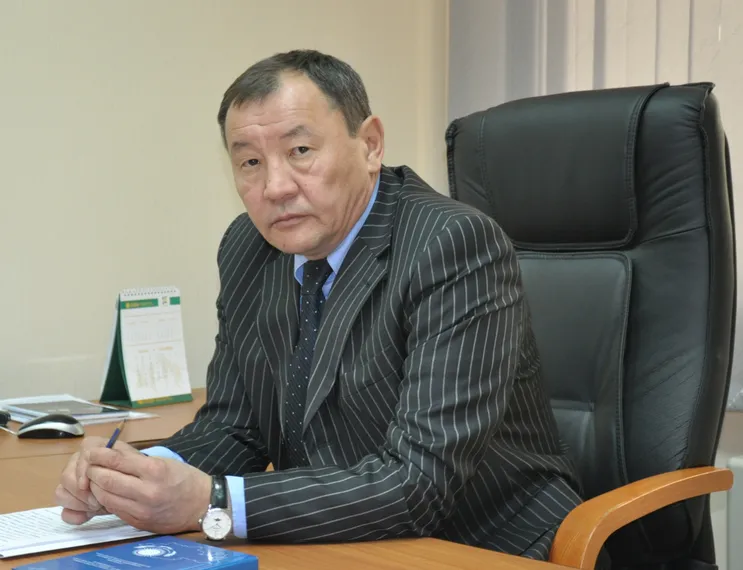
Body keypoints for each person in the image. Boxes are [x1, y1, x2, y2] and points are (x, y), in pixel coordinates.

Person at [55, 49, 582, 560]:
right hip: (336, 542)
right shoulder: (248, 247)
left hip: (481, 545)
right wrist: (134, 474)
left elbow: (419, 481)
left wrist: (211, 501)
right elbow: (235, 426)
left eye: (300, 151)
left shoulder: (451, 245)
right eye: (250, 162)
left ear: (370, 144)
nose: (275, 187)